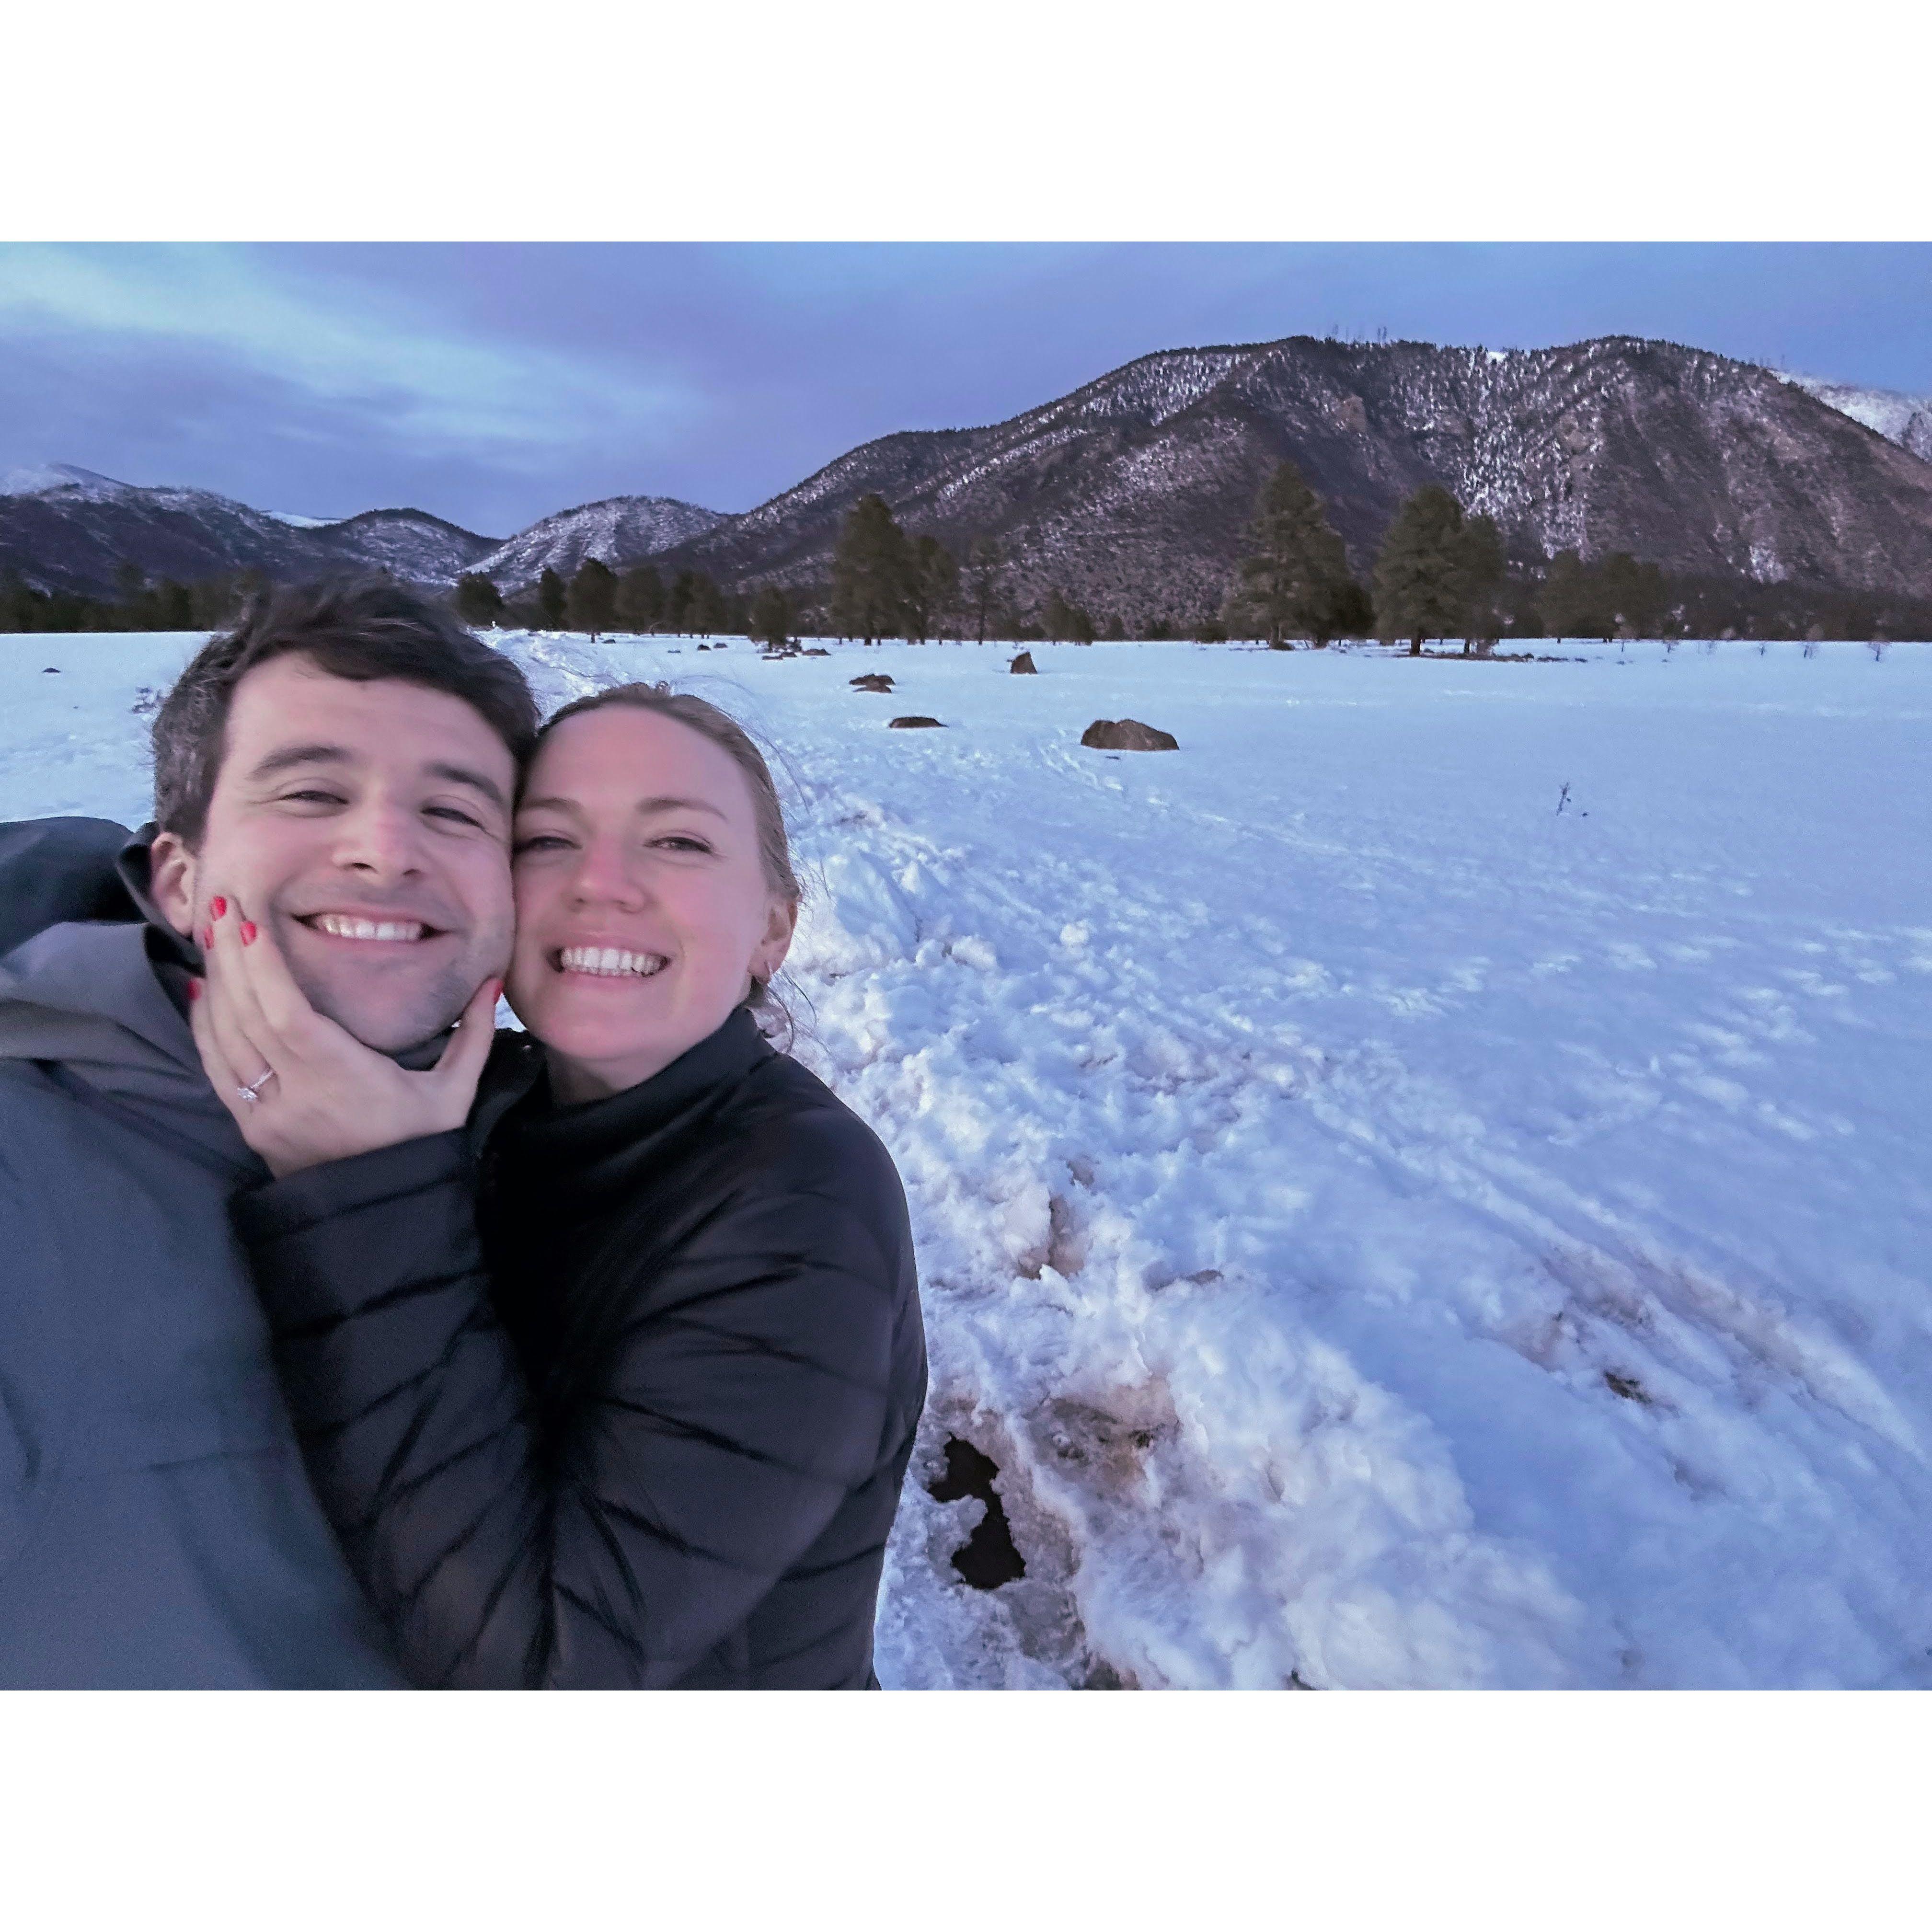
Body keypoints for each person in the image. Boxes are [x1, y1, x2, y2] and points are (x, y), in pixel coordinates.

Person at [187, 682, 927, 1688]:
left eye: (678, 843)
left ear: (772, 933)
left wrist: (366, 1194)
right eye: (546, 840)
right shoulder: (489, 1106)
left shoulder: (805, 1201)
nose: (603, 886)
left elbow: (551, 1670)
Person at [0, 577, 536, 1687]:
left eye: (454, 810)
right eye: (309, 792)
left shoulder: (574, 1160)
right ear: (181, 881)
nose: (386, 851)